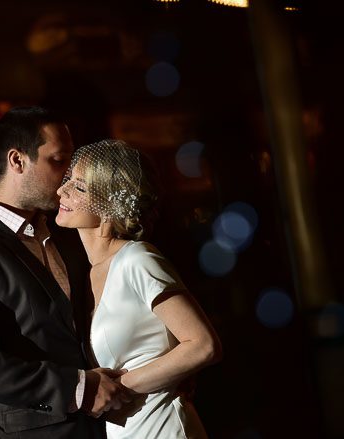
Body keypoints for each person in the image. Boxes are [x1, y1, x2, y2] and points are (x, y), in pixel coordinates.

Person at [0, 107, 131, 438]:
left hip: (102, 426)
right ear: (17, 161)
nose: (68, 177)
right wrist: (78, 389)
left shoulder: (68, 231)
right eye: (58, 160)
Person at [56, 139, 223, 438]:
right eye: (68, 180)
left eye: (79, 187)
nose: (61, 191)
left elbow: (203, 345)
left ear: (109, 203)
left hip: (162, 428)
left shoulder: (137, 259)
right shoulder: (90, 272)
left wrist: (117, 388)